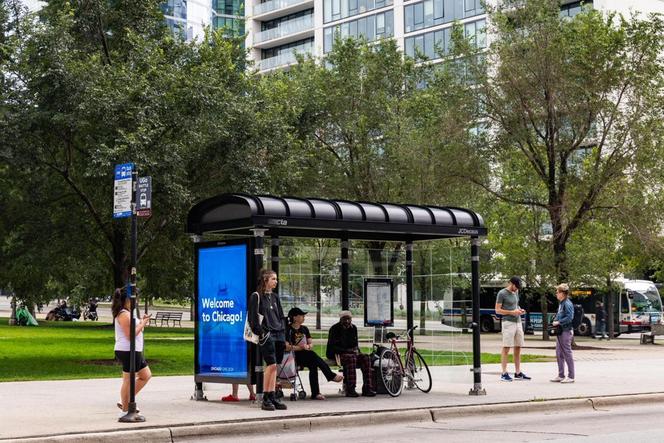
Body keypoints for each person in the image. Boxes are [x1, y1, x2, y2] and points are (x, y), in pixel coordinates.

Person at [248, 269, 287, 411]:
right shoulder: (256, 296)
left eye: (276, 279)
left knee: (275, 366)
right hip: (268, 334)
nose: (276, 282)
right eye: (273, 279)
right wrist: (263, 333)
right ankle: (266, 397)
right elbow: (253, 319)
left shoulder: (275, 297)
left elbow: (281, 316)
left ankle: (272, 396)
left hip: (279, 334)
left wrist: (283, 332)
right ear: (265, 280)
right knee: (270, 365)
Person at [286, 307, 343, 400]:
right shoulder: (288, 330)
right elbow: (287, 347)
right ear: (295, 317)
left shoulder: (304, 329)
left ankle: (315, 393)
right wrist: (300, 347)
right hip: (294, 356)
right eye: (301, 316)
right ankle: (330, 376)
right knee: (312, 356)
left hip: (306, 354)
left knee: (313, 364)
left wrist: (308, 346)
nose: (304, 318)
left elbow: (310, 343)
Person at [112, 287, 152, 416]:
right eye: (135, 297)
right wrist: (143, 323)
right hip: (127, 350)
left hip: (134, 350)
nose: (137, 300)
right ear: (128, 299)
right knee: (128, 380)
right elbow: (130, 334)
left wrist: (141, 321)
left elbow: (135, 328)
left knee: (146, 375)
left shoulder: (130, 312)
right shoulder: (124, 314)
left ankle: (125, 400)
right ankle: (125, 410)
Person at [326, 310, 376, 397]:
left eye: (349, 319)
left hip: (351, 353)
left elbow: (355, 343)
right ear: (340, 319)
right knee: (351, 358)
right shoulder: (334, 329)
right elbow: (332, 347)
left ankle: (367, 388)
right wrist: (348, 350)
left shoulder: (353, 328)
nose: (347, 321)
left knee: (366, 357)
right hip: (338, 354)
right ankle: (350, 388)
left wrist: (356, 350)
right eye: (345, 319)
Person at [495, 276, 531, 382]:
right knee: (506, 347)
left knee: (518, 346)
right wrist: (512, 312)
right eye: (516, 286)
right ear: (511, 284)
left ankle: (518, 372)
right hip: (508, 322)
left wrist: (519, 310)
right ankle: (504, 373)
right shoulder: (502, 293)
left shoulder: (516, 292)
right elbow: (497, 310)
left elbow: (515, 305)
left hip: (518, 321)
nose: (517, 289)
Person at [551, 283, 575, 383]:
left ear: (563, 293)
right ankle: (561, 375)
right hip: (560, 331)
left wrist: (559, 322)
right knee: (559, 353)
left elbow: (570, 317)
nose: (556, 294)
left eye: (557, 292)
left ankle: (571, 376)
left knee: (567, 353)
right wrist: (555, 319)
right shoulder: (561, 303)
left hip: (566, 331)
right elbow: (561, 315)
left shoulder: (567, 303)